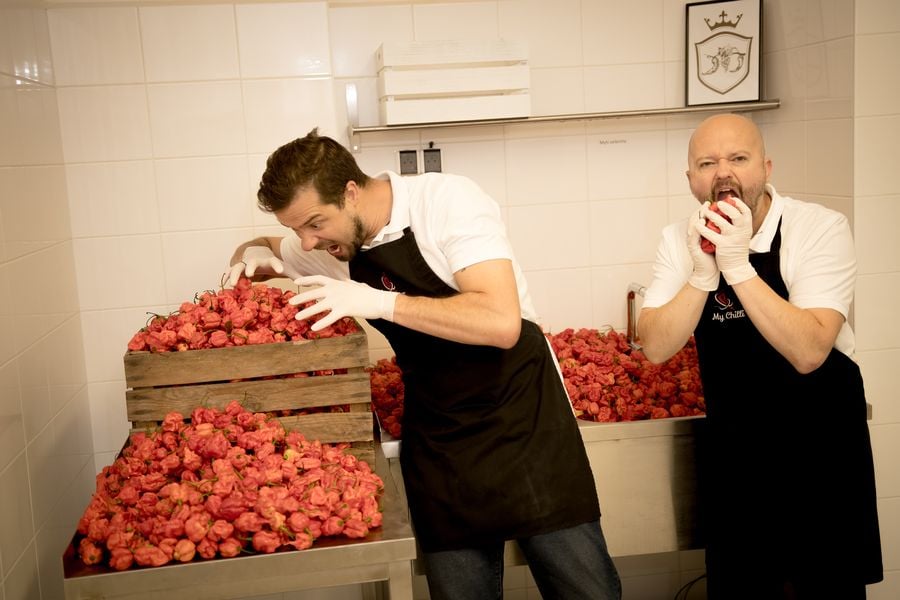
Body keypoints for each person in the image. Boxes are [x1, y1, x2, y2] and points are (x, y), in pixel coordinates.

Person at [226, 128, 621, 599]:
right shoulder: (334, 247)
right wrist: (249, 254)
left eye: (314, 223)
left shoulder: (446, 202)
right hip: (441, 439)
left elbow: (500, 321)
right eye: (298, 229)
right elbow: (269, 250)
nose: (307, 243)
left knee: (586, 590)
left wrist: (380, 303)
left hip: (523, 421)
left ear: (351, 193)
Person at [637, 113, 882, 599]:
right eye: (707, 163)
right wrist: (703, 276)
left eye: (739, 158)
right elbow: (656, 344)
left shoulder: (819, 228)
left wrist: (737, 267)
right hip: (738, 464)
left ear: (766, 167)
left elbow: (811, 349)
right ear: (691, 180)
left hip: (822, 459)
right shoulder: (679, 240)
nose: (723, 173)